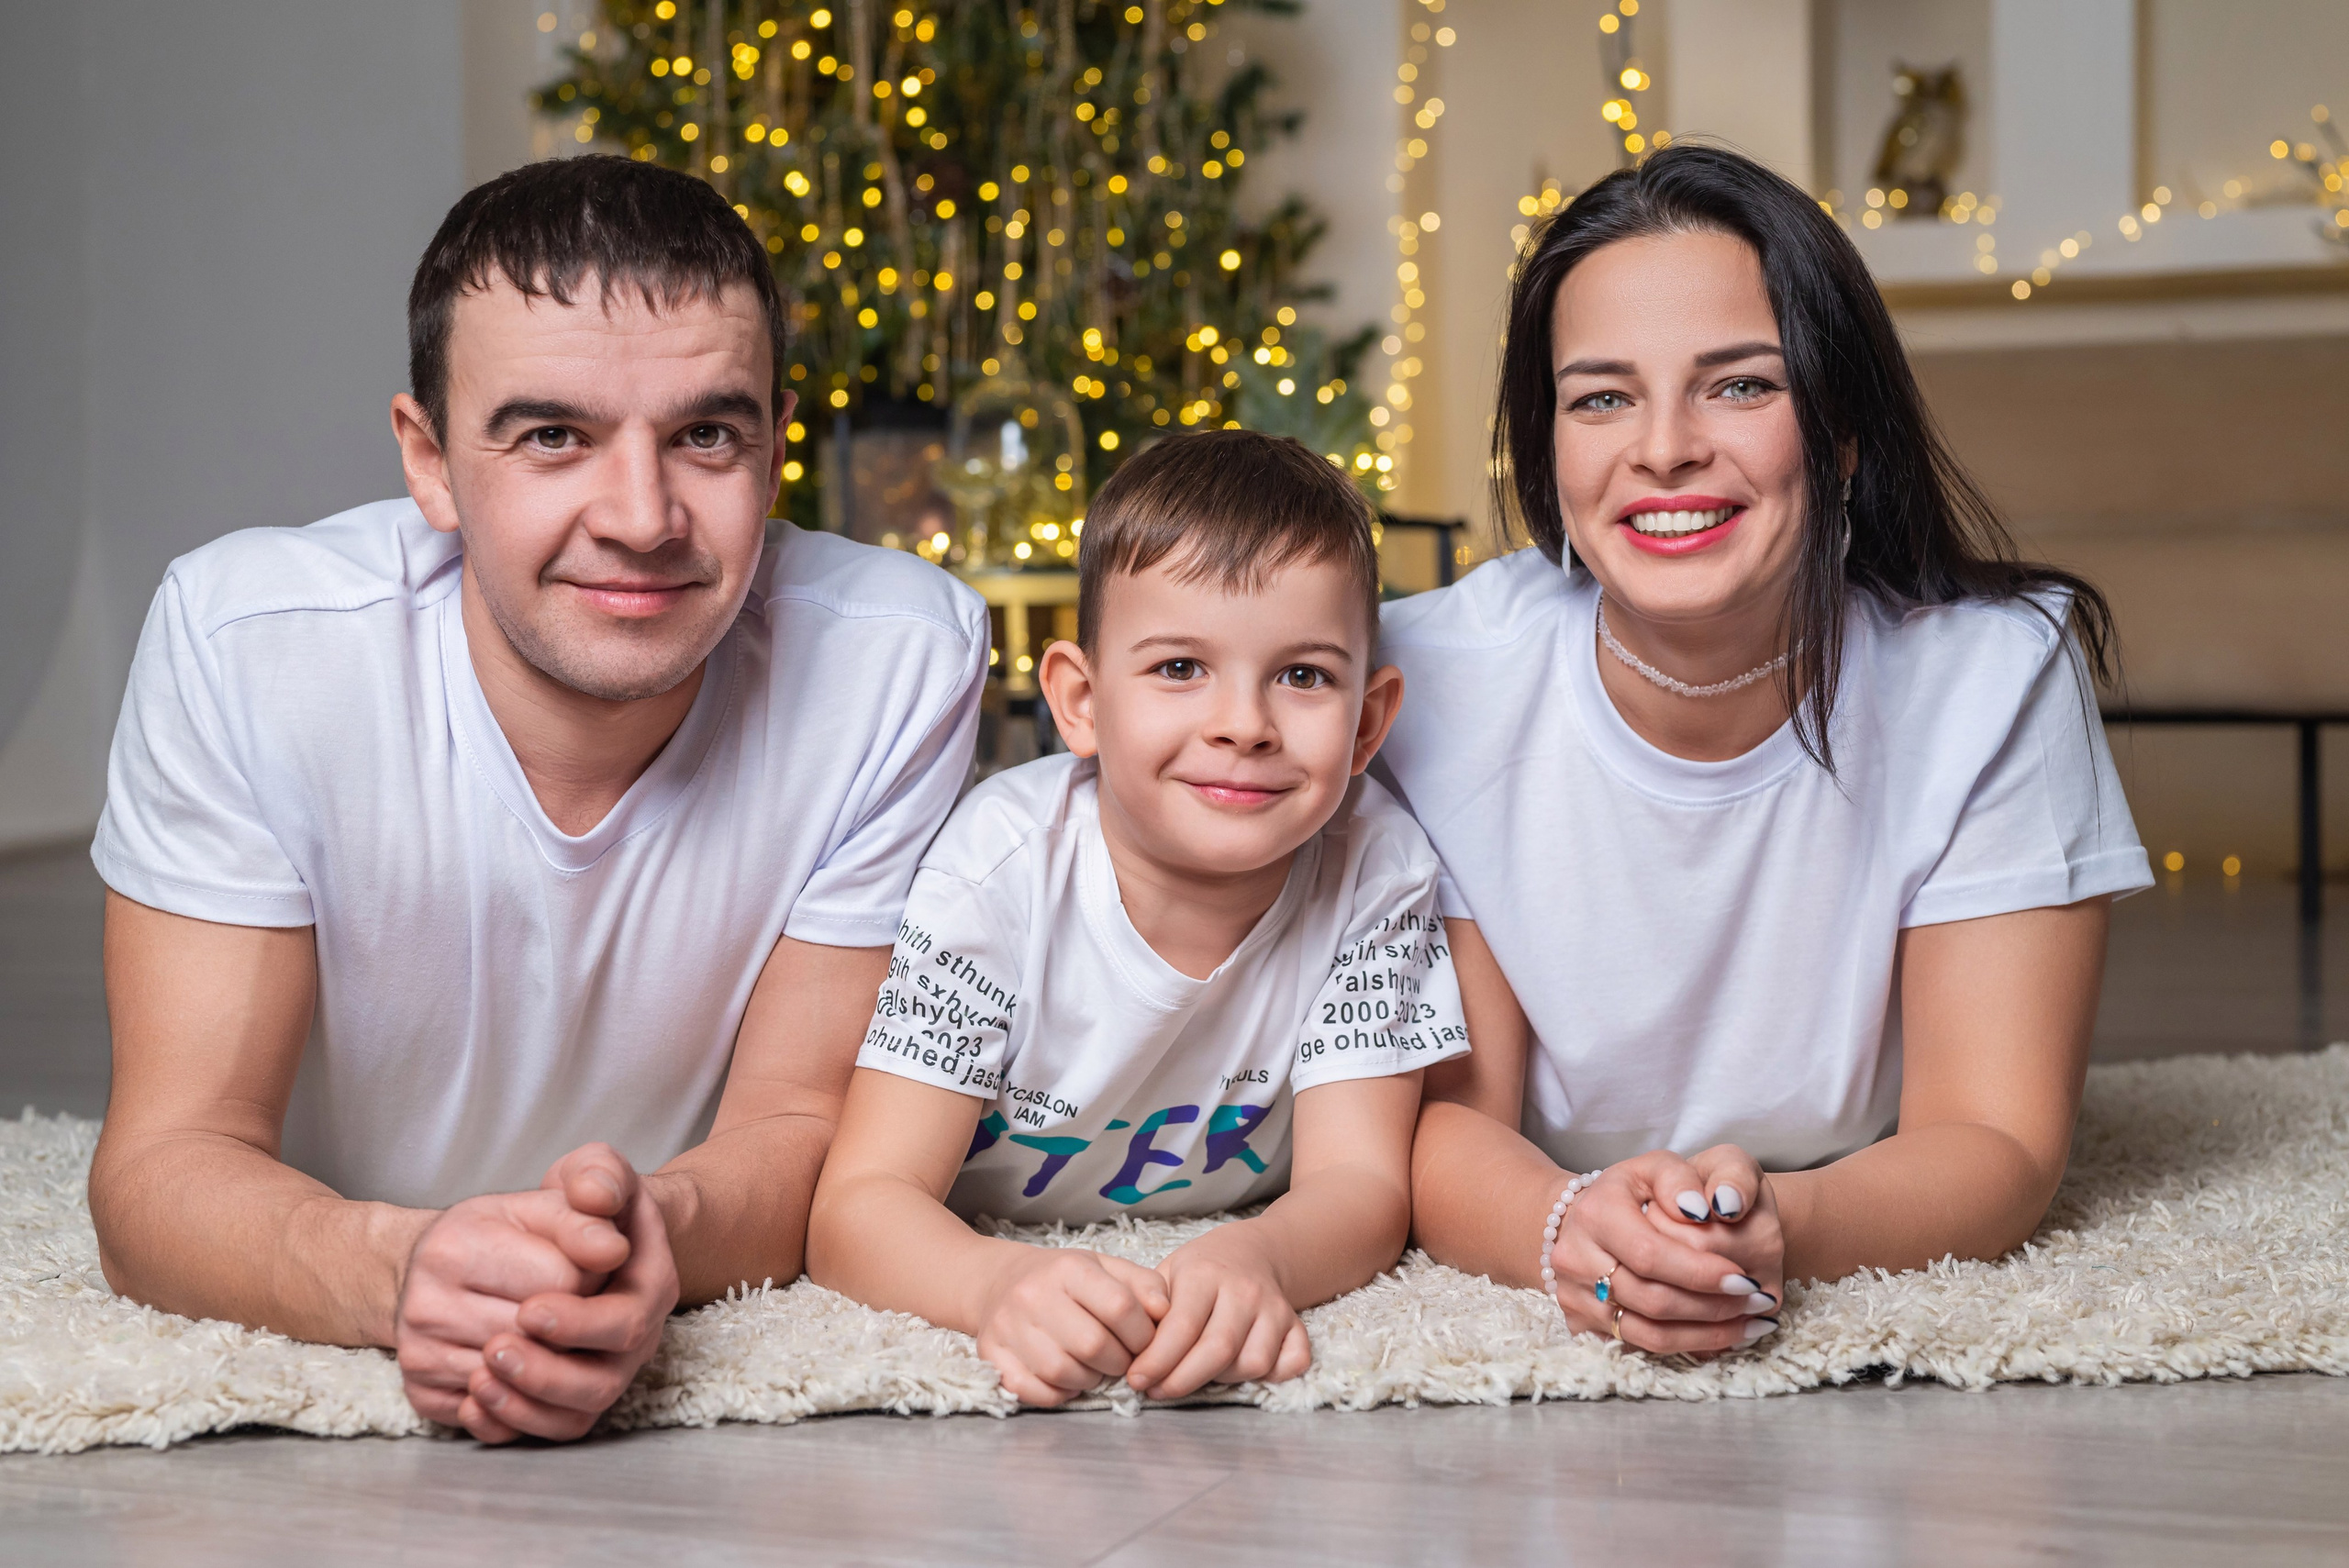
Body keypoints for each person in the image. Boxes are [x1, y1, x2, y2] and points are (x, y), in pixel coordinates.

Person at [85, 157, 988, 1442]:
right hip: (355, 1214)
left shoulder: (896, 657)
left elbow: (802, 1127)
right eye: (553, 435)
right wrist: (402, 1272)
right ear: (432, 460)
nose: (641, 516)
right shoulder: (247, 643)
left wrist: (648, 1241)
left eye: (706, 434)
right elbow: (162, 1168)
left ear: (774, 448)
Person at [1377, 143, 2152, 1353]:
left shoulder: (1993, 674)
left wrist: (1784, 1223)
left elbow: (1995, 1139)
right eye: (1601, 397)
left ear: (1842, 432)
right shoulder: (1430, 680)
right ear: (1549, 451)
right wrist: (1566, 1228)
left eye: (1740, 385)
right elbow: (1426, 1127)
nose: (1665, 447)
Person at [806, 431, 1469, 1406]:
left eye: (1302, 676)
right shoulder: (999, 869)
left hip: (1220, 1215)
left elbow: (1365, 1186)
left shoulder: (1377, 868)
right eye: (1178, 668)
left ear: (1368, 722)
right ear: (1079, 700)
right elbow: (858, 1206)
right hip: (998, 1226)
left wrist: (1262, 1259)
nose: (1243, 722)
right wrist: (993, 1283)